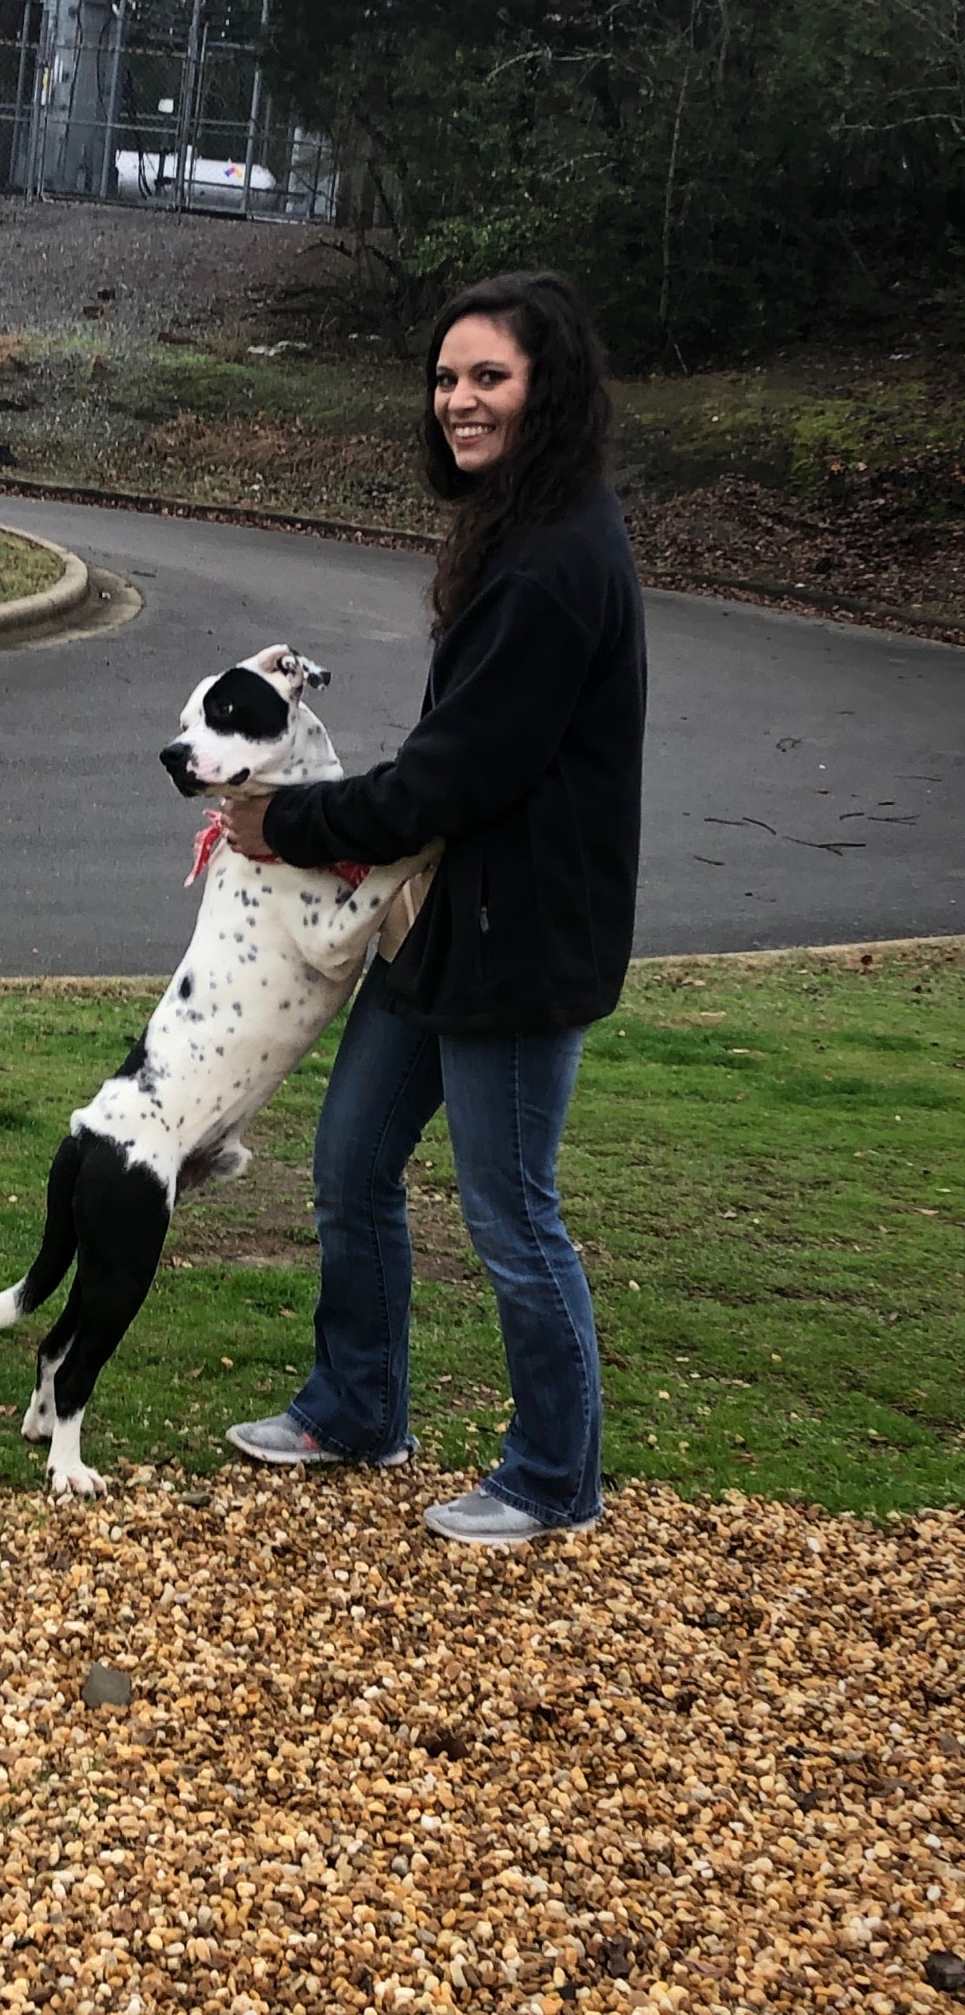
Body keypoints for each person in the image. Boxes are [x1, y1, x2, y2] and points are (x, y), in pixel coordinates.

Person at [221, 270, 647, 1547]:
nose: (458, 400)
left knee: (512, 1215)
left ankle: (554, 1478)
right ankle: (358, 1407)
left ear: (546, 388)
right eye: (447, 378)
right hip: (442, 928)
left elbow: (449, 775)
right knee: (350, 1161)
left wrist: (282, 819)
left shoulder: (554, 566)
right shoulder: (522, 529)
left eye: (488, 378)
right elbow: (450, 768)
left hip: (520, 948)